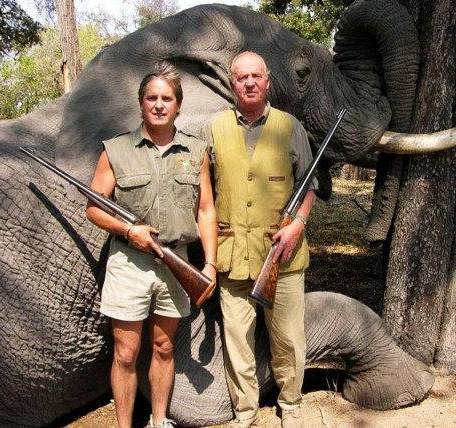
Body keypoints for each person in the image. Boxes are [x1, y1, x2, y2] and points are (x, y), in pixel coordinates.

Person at [86, 61, 217, 428]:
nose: (159, 105)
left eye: (166, 98)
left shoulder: (196, 150)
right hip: (130, 264)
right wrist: (130, 232)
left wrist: (208, 264)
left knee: (163, 348)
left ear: (178, 105)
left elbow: (206, 209)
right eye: (151, 98)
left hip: (179, 263)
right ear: (141, 103)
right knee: (126, 353)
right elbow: (94, 209)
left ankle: (159, 420)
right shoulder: (115, 150)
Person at [203, 51, 315, 428]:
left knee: (287, 339)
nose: (249, 82)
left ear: (267, 81)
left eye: (255, 76)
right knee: (237, 342)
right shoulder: (213, 128)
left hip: (282, 256)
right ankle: (245, 411)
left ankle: (292, 404)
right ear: (231, 83)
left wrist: (298, 223)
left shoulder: (290, 127)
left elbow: (308, 186)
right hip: (231, 256)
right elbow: (203, 193)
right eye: (241, 77)